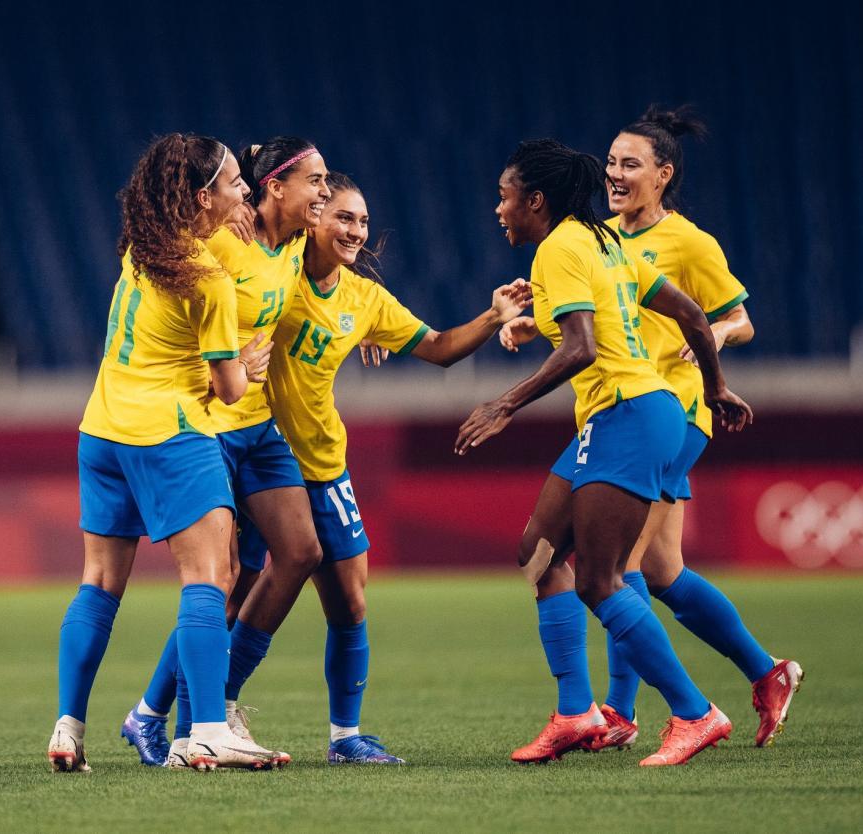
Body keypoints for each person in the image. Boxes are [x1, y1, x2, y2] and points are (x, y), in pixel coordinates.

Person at [500, 107, 802, 751]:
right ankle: (765, 672)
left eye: (630, 164)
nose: (614, 174)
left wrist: (716, 347)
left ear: (663, 176)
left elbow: (735, 318)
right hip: (626, 410)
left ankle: (621, 709)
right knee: (662, 571)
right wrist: (538, 322)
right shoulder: (599, 237)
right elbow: (591, 316)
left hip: (674, 405)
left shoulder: (688, 242)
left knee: (615, 565)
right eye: (610, 162)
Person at [456, 139, 752, 767]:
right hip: (632, 414)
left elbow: (582, 347)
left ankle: (696, 714)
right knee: (538, 554)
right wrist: (717, 386)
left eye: (505, 197)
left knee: (600, 578)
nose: (499, 209)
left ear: (535, 201)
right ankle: (575, 712)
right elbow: (694, 314)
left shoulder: (559, 248)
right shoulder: (603, 240)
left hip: (629, 415)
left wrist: (503, 404)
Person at [233, 171, 532, 764]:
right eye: (343, 216)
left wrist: (494, 315)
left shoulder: (363, 300)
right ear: (312, 216)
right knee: (244, 581)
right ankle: (212, 711)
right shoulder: (274, 268)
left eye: (363, 221)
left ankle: (345, 737)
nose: (355, 229)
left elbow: (441, 347)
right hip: (263, 455)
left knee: (350, 601)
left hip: (325, 460)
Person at [48, 133, 282, 773]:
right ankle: (206, 729)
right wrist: (251, 365)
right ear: (203, 196)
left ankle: (68, 728)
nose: (244, 192)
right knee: (210, 576)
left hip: (101, 429)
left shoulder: (141, 251)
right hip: (170, 432)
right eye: (236, 182)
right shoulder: (208, 281)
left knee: (98, 583)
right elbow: (228, 388)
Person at [123, 137, 330, 768]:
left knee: (299, 552)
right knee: (219, 579)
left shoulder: (294, 244)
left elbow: (332, 279)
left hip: (260, 426)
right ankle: (186, 718)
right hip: (210, 424)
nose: (323, 192)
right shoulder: (220, 240)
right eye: (314, 181)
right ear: (274, 187)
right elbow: (166, 261)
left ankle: (197, 706)